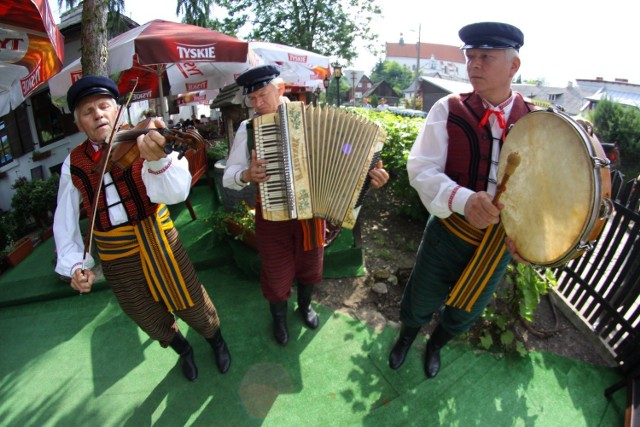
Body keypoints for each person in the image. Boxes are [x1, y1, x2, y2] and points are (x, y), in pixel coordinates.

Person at [53, 76, 231, 382]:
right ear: (79, 123)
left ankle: (215, 339)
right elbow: (65, 217)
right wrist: (75, 265)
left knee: (190, 297)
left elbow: (175, 194)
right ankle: (182, 349)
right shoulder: (74, 163)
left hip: (157, 234)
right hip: (115, 250)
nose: (98, 114)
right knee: (143, 311)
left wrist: (157, 161)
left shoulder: (145, 139)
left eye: (104, 106)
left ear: (117, 110)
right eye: (87, 111)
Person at [388, 22, 534, 378]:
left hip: (496, 245)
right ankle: (407, 337)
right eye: (471, 56)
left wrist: (527, 238)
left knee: (468, 308)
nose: (474, 64)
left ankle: (436, 344)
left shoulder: (537, 122)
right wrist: (464, 200)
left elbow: (540, 193)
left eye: (486, 56)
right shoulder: (448, 108)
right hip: (449, 231)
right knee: (422, 294)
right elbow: (421, 169)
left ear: (514, 66)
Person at [223, 65, 389, 346]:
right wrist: (246, 175)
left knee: (312, 267)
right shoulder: (249, 128)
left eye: (263, 95)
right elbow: (229, 176)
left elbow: (347, 155)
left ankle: (305, 305)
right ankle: (278, 316)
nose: (257, 104)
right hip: (271, 217)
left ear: (281, 89)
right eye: (251, 99)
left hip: (313, 215)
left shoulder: (314, 117)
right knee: (276, 274)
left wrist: (368, 175)